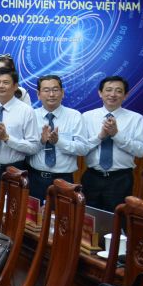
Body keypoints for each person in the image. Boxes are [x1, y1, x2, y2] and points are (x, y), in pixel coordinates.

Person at [81, 76, 143, 213]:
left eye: (118, 91)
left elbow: (141, 151)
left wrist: (116, 135)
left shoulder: (136, 118)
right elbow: (81, 148)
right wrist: (99, 137)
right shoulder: (87, 117)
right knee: (89, 218)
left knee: (117, 220)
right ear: (100, 93)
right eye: (108, 90)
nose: (112, 94)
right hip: (92, 177)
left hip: (120, 180)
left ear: (125, 95)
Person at [0, 67, 41, 202]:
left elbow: (34, 147)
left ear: (15, 86)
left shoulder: (26, 111)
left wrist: (7, 138)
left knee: (11, 211)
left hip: (14, 172)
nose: (1, 86)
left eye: (6, 82)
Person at [27, 75, 87, 203]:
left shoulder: (75, 116)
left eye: (55, 90)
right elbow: (26, 148)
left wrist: (59, 142)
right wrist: (41, 141)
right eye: (46, 90)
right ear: (38, 94)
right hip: (35, 179)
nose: (51, 94)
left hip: (64, 181)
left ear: (62, 93)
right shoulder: (31, 116)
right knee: (34, 215)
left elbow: (83, 149)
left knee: (62, 215)